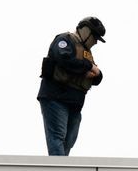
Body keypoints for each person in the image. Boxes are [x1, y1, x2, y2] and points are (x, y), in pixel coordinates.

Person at [37, 17, 106, 156]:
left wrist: (96, 72)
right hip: (56, 98)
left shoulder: (87, 54)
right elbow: (65, 59)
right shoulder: (65, 40)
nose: (96, 42)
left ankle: (63, 170)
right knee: (58, 136)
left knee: (69, 141)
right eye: (95, 37)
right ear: (86, 31)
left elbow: (97, 77)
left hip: (74, 103)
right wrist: (89, 67)